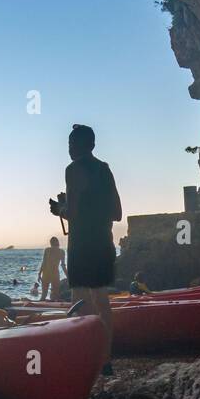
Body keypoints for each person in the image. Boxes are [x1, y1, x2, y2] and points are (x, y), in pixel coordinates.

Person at [50, 123, 122, 341]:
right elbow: (117, 213)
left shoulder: (72, 170)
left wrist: (59, 209)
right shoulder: (104, 169)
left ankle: (83, 354)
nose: (69, 148)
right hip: (103, 244)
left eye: (72, 143)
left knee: (80, 301)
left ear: (84, 145)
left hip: (81, 246)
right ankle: (105, 357)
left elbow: (72, 212)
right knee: (102, 301)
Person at [39, 236, 65, 300]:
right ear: (58, 243)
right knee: (56, 295)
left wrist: (39, 273)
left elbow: (44, 263)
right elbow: (63, 266)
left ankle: (38, 307)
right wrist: (68, 277)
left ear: (51, 243)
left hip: (46, 274)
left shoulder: (47, 250)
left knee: (43, 295)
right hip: (55, 274)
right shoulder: (61, 251)